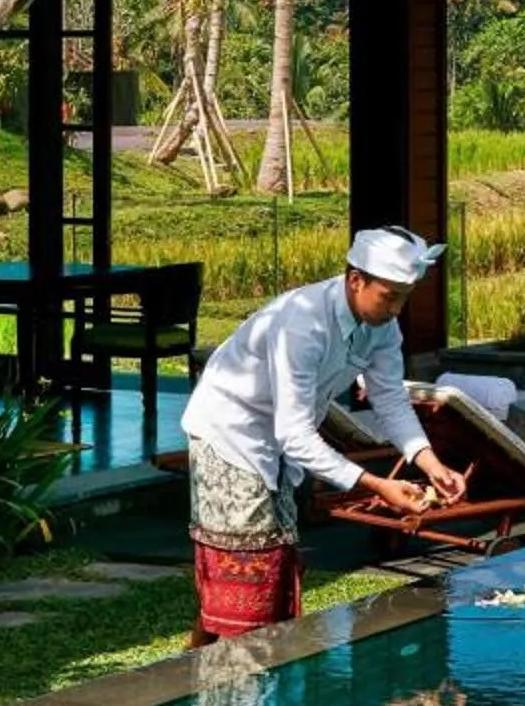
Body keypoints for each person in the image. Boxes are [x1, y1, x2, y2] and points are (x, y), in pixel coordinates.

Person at [178, 226, 468, 645]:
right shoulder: (303, 323)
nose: (397, 309)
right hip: (230, 434)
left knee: (274, 563)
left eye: (405, 297)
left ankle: (200, 668)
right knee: (252, 564)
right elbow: (295, 434)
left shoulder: (381, 326)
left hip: (275, 442)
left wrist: (430, 462)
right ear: (355, 280)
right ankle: (230, 691)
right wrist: (376, 485)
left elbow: (389, 398)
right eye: (390, 296)